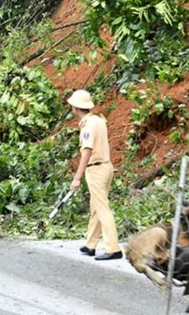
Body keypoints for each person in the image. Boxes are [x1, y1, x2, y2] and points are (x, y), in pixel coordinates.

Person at [68, 89, 122, 261]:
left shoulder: (88, 126)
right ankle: (91, 244)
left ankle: (113, 248)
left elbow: (87, 151)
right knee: (96, 207)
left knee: (102, 208)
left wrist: (77, 178)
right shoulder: (97, 120)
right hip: (106, 166)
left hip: (96, 169)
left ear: (76, 108)